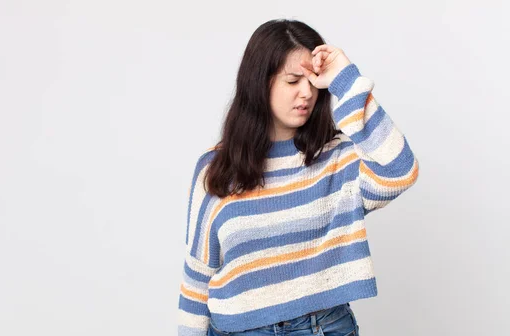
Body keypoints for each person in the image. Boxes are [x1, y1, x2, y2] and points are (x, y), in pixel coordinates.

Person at [177, 19, 419, 336]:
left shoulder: (338, 157)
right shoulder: (216, 167)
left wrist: (344, 79)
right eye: (293, 81)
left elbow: (400, 170)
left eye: (313, 82)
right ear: (259, 82)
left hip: (322, 327)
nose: (307, 93)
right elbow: (197, 275)